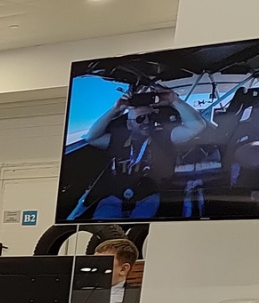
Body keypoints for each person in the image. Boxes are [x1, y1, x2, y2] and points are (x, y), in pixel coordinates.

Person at [69, 84, 210, 220]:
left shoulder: (163, 136)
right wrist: (115, 109)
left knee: (139, 228)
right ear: (129, 124)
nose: (146, 122)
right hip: (115, 197)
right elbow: (92, 137)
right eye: (140, 118)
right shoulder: (119, 140)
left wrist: (174, 100)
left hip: (149, 196)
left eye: (150, 117)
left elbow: (197, 126)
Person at [94, 237, 140, 303]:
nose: (95, 267)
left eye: (102, 262)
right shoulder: (78, 293)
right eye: (94, 261)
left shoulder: (140, 297)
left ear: (123, 269)